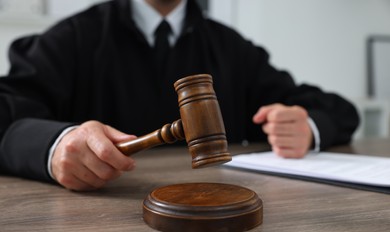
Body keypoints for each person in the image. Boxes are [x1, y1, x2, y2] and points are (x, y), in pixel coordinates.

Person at [0, 0, 359, 191]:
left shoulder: (231, 49)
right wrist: (53, 145)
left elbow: (339, 110)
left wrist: (308, 127)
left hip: (222, 228)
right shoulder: (71, 39)